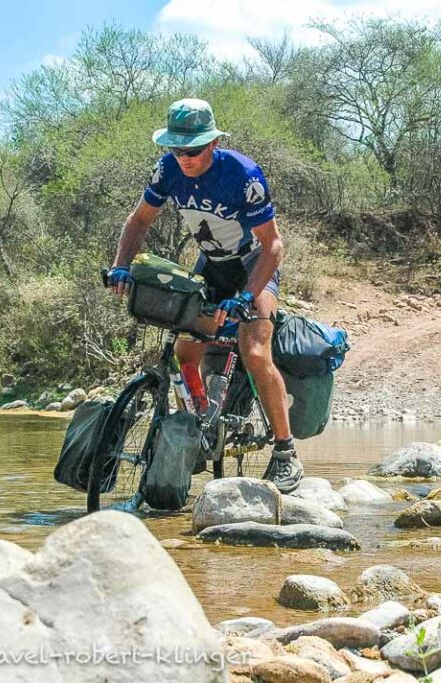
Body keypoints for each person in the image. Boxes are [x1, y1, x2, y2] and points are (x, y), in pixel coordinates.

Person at [106, 98, 303, 493]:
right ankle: (196, 424)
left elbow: (274, 246)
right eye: (176, 149)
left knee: (255, 351)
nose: (184, 158)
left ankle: (285, 452)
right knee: (185, 351)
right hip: (211, 264)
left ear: (213, 143)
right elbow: (139, 220)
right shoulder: (167, 171)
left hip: (253, 264)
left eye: (192, 149)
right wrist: (121, 265)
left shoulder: (242, 175)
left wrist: (247, 297)